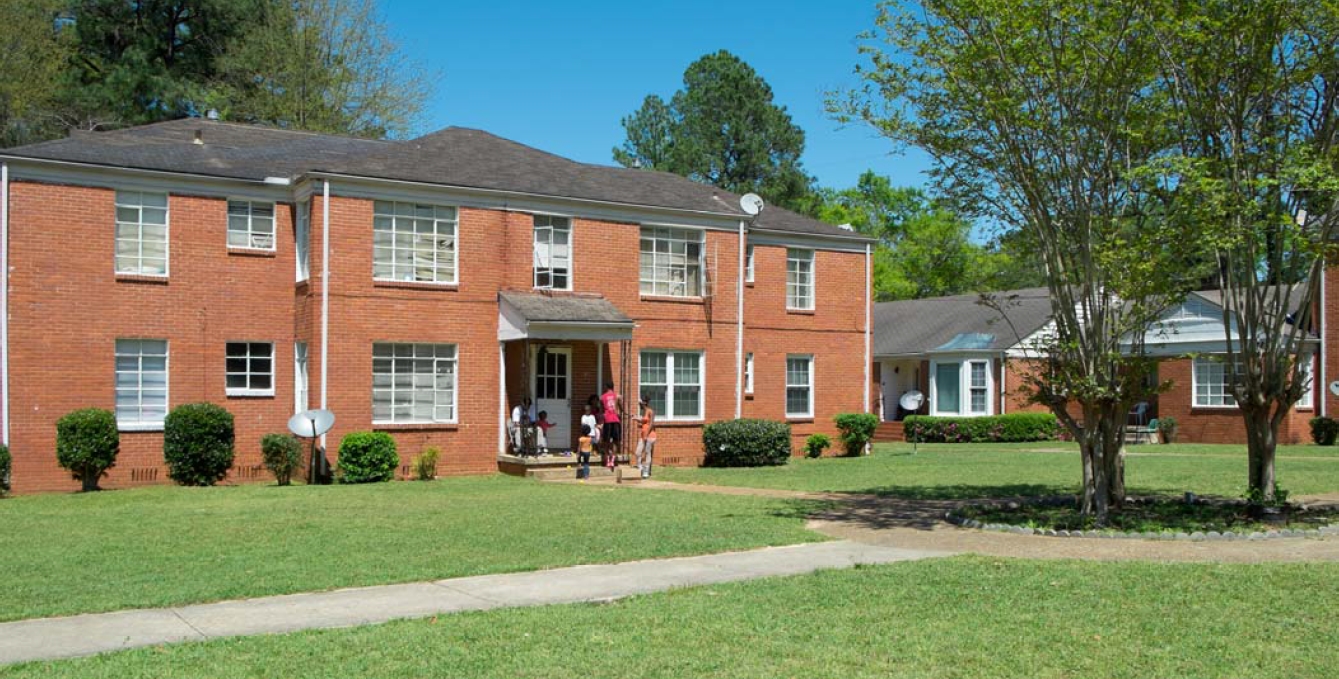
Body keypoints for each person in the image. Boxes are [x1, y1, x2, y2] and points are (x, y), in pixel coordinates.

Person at [632, 395, 656, 479]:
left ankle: (646, 471)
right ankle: (641, 467)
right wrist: (638, 421)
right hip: (643, 436)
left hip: (650, 436)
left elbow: (652, 424)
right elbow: (644, 422)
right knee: (638, 452)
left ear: (644, 403)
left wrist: (646, 434)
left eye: (640, 403)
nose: (639, 405)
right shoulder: (644, 412)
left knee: (647, 453)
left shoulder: (650, 411)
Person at [600, 381, 622, 468]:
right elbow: (620, 407)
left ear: (606, 386)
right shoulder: (617, 396)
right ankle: (612, 460)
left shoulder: (602, 397)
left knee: (606, 441)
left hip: (607, 420)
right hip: (615, 420)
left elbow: (601, 408)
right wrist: (621, 411)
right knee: (616, 442)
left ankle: (607, 460)